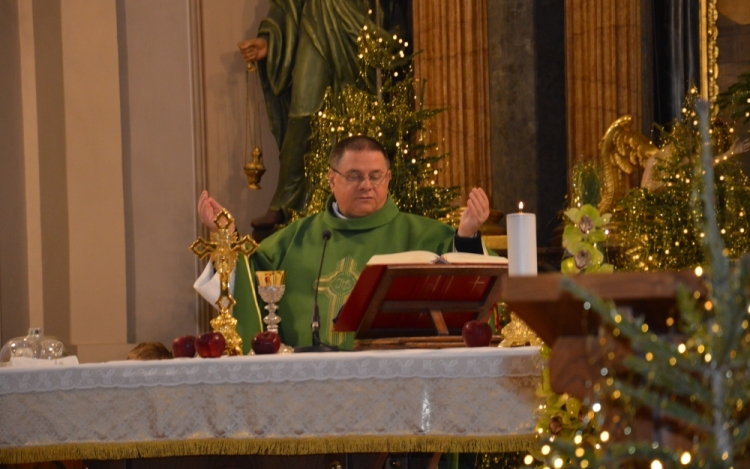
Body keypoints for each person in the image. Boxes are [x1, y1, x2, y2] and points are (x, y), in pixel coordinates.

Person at [196, 136, 491, 352]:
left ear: (388, 178)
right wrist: (227, 238)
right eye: (354, 175)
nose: (366, 185)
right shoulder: (293, 240)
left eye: (375, 176)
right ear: (331, 179)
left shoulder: (427, 237)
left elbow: (472, 295)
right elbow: (246, 281)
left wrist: (466, 238)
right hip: (305, 386)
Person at [238, 0, 410, 238]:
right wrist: (270, 41)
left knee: (360, 116)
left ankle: (364, 201)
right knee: (303, 115)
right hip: (315, 20)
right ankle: (285, 202)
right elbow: (287, 4)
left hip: (359, 24)